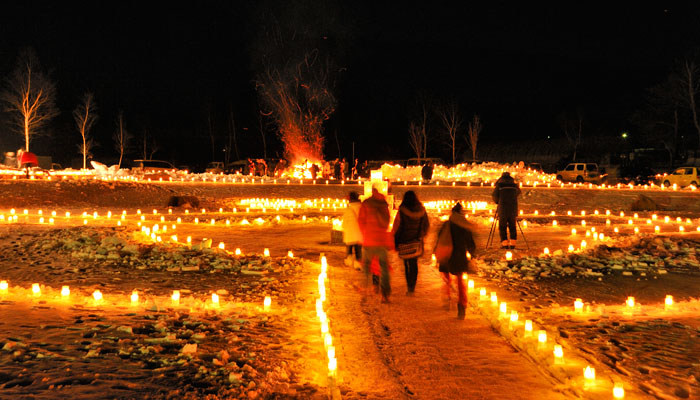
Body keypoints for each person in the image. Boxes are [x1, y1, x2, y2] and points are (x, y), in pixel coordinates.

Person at [436, 202, 476, 319]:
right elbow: (470, 242)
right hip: (459, 256)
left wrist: (437, 251)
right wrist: (472, 253)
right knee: (460, 282)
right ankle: (462, 305)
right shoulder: (464, 226)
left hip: (447, 255)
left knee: (446, 278)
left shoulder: (447, 224)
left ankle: (447, 296)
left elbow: (440, 238)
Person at [358, 185, 392, 303]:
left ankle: (364, 291)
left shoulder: (366, 204)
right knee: (384, 268)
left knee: (366, 268)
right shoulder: (384, 205)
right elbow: (387, 221)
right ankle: (385, 295)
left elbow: (360, 221)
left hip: (368, 240)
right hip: (381, 241)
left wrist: (365, 233)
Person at [392, 190, 429, 294]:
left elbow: (399, 226)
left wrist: (396, 240)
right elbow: (426, 225)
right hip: (416, 241)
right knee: (414, 264)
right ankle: (412, 286)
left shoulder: (402, 211)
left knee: (406, 264)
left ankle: (409, 286)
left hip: (404, 240)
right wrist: (420, 235)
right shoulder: (422, 210)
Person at [492, 171, 521, 249]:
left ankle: (504, 244)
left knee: (502, 226)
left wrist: (498, 201)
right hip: (513, 208)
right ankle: (513, 243)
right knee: (512, 226)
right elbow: (518, 192)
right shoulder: (514, 186)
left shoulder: (499, 186)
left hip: (503, 208)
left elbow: (494, 196)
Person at [342, 191, 363, 269]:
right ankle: (358, 263)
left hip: (350, 234)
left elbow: (344, 223)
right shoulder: (361, 207)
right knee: (358, 251)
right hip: (359, 234)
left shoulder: (348, 209)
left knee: (349, 250)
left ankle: (349, 261)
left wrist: (344, 228)